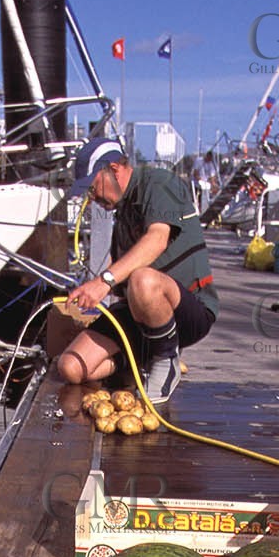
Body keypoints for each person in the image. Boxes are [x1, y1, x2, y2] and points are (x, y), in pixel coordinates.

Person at [54, 136, 219, 406]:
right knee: (71, 368)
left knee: (143, 279)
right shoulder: (123, 210)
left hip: (189, 308)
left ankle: (166, 360)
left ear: (115, 169)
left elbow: (157, 240)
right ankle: (141, 360)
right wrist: (90, 287)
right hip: (139, 312)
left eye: (93, 186)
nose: (92, 197)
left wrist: (103, 282)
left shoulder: (159, 183)